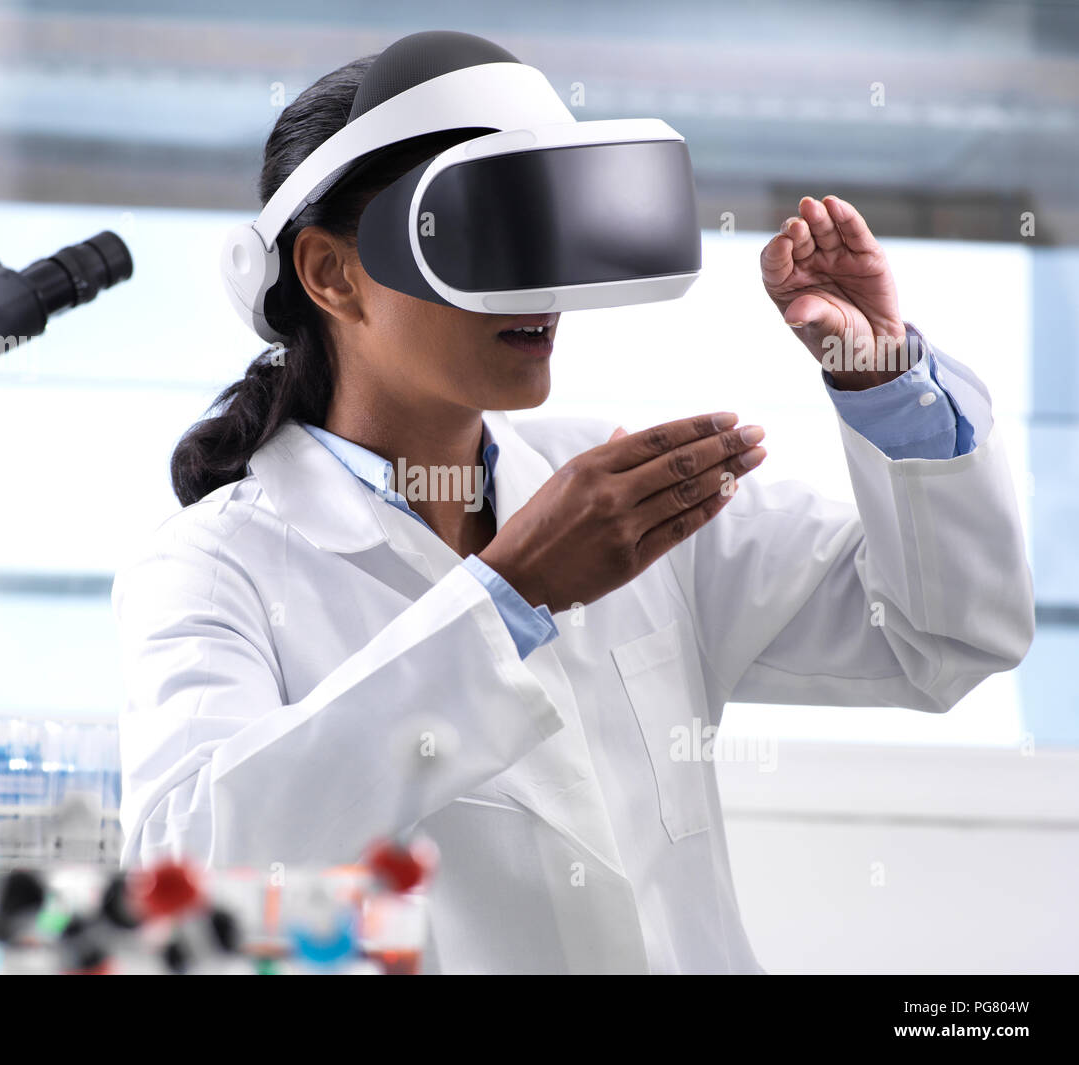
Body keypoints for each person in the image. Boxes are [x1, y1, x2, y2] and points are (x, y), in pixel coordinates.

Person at [112, 40, 1034, 974]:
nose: (542, 286)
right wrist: (508, 595)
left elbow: (946, 636)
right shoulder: (215, 566)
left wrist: (886, 385)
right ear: (330, 274)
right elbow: (185, 870)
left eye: (549, 229)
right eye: (491, 229)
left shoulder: (624, 490)